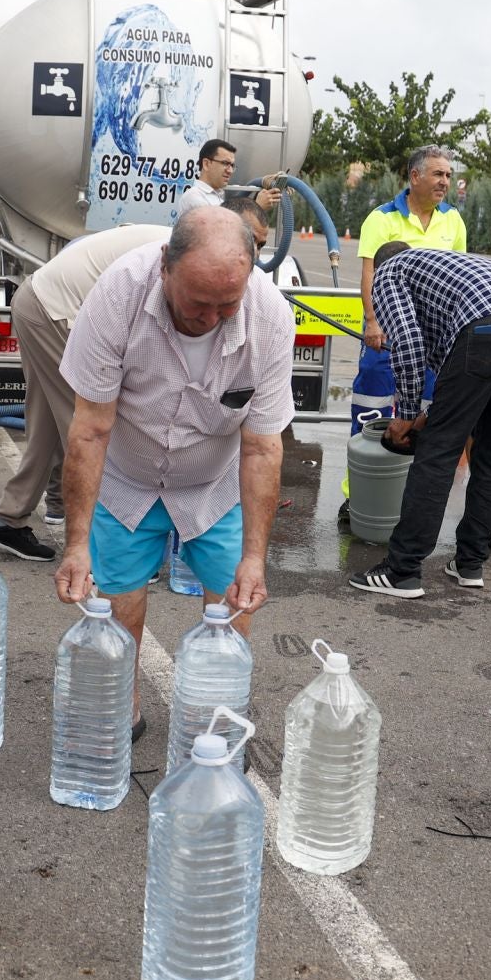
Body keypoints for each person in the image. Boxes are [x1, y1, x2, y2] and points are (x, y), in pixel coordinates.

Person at [52, 206, 294, 731]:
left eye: (227, 305)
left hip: (213, 484)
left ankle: (217, 718)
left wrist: (256, 557)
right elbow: (90, 430)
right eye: (197, 304)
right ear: (165, 265)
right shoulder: (119, 294)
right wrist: (75, 544)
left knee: (233, 603)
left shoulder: (271, 317)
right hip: (127, 476)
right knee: (119, 605)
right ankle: (124, 707)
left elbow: (262, 448)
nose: (210, 319)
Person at [347, 242, 491, 597]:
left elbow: (408, 345)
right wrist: (428, 416)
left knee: (437, 453)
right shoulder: (439, 271)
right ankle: (470, 564)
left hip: (487, 325)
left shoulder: (389, 272)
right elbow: (456, 380)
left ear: (378, 268)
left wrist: (406, 415)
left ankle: (401, 571)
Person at [0, 222, 171, 561]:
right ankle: (106, 546)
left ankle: (7, 519)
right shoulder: (173, 258)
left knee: (48, 427)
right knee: (94, 429)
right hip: (56, 310)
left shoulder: (175, 242)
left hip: (38, 300)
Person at [340, 146, 465, 524]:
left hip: (434, 340)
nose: (445, 182)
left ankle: (412, 502)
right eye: (438, 174)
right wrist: (372, 322)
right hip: (387, 334)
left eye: (448, 175)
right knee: (371, 409)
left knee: (426, 419)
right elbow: (370, 274)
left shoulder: (453, 221)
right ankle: (357, 494)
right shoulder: (382, 218)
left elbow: (457, 279)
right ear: (415, 176)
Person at [179, 138, 281, 215]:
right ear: (206, 164)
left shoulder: (217, 195)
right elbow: (225, 229)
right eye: (225, 163)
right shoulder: (193, 197)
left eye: (232, 165)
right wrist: (258, 207)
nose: (230, 171)